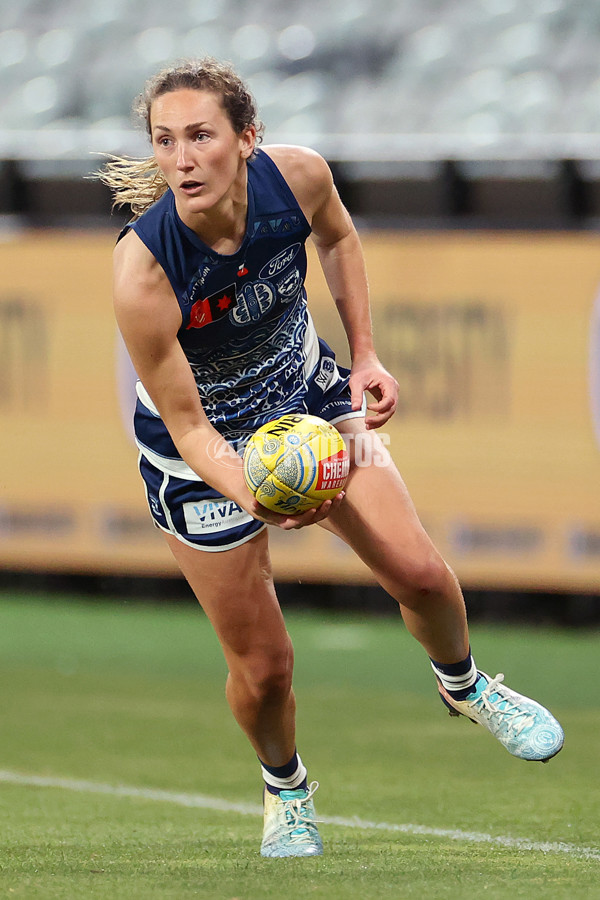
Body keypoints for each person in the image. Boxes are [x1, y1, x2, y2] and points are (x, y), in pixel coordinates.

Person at [100, 58, 564, 859]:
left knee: (419, 574)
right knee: (265, 665)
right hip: (199, 460)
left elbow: (341, 239)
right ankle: (286, 788)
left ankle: (467, 687)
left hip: (313, 401)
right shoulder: (143, 268)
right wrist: (255, 491)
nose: (180, 158)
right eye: (164, 140)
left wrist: (367, 357)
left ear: (248, 139)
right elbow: (187, 427)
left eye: (201, 136)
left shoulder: (300, 177)